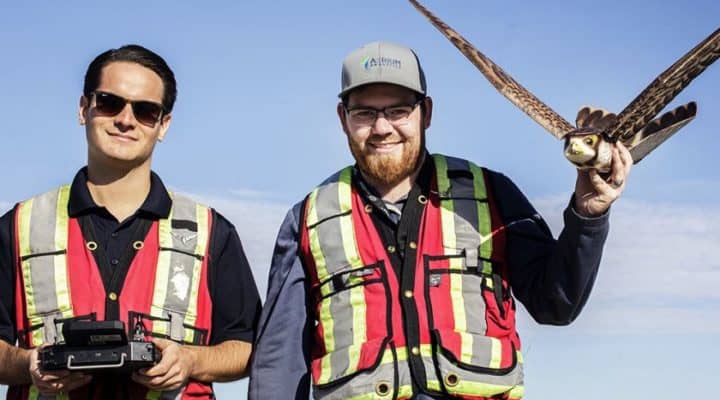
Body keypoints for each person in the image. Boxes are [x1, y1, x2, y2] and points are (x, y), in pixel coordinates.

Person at [248, 41, 632, 400]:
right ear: (342, 119)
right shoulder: (308, 218)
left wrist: (588, 214)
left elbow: (556, 303)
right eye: (364, 112)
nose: (382, 128)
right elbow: (278, 365)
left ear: (426, 113)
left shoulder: (492, 193)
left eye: (398, 110)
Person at [0, 44, 261, 399]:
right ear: (83, 108)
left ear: (163, 125)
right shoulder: (19, 227)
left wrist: (189, 361)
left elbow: (248, 346)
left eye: (145, 110)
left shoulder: (212, 232)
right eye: (110, 102)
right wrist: (29, 363)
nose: (126, 119)